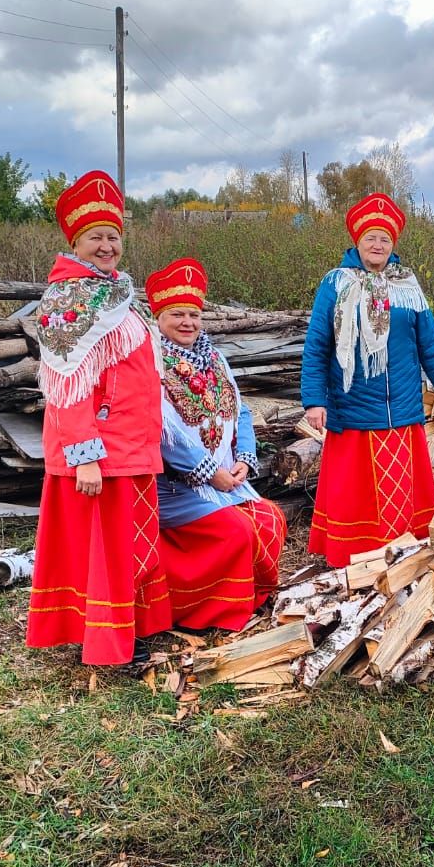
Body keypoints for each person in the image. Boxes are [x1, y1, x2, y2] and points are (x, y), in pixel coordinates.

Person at [25, 170, 171, 667]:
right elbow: (67, 386)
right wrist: (84, 456)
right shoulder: (70, 300)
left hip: (132, 444)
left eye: (113, 237)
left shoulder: (113, 292)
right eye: (95, 238)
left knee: (132, 544)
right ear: (76, 242)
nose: (106, 246)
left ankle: (129, 632)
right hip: (103, 453)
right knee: (108, 551)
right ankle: (108, 644)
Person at [301, 192, 434, 565]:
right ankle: (358, 556)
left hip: (402, 408)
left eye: (384, 239)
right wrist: (314, 400)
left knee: (399, 490)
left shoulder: (407, 286)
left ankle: (402, 553)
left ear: (392, 244)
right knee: (357, 491)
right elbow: (317, 344)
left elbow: (430, 344)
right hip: (353, 407)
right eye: (370, 238)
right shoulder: (336, 284)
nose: (377, 245)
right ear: (357, 242)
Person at [148, 257, 288, 630]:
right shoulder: (151, 362)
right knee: (235, 531)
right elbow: (163, 432)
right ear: (158, 317)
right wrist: (211, 473)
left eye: (194, 314)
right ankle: (207, 613)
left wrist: (244, 457)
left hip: (225, 478)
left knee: (270, 518)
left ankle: (253, 597)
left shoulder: (214, 358)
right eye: (177, 314)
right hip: (177, 487)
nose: (187, 323)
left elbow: (239, 412)